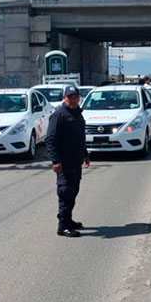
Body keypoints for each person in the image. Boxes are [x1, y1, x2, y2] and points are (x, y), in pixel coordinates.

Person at [46, 86, 90, 238]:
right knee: (65, 192)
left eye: (75, 97)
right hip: (64, 162)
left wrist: (85, 155)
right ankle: (63, 226)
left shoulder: (77, 113)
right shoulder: (59, 115)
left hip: (75, 160)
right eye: (70, 97)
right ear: (64, 98)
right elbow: (51, 140)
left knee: (73, 191)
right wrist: (55, 161)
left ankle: (68, 219)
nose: (73, 100)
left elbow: (80, 138)